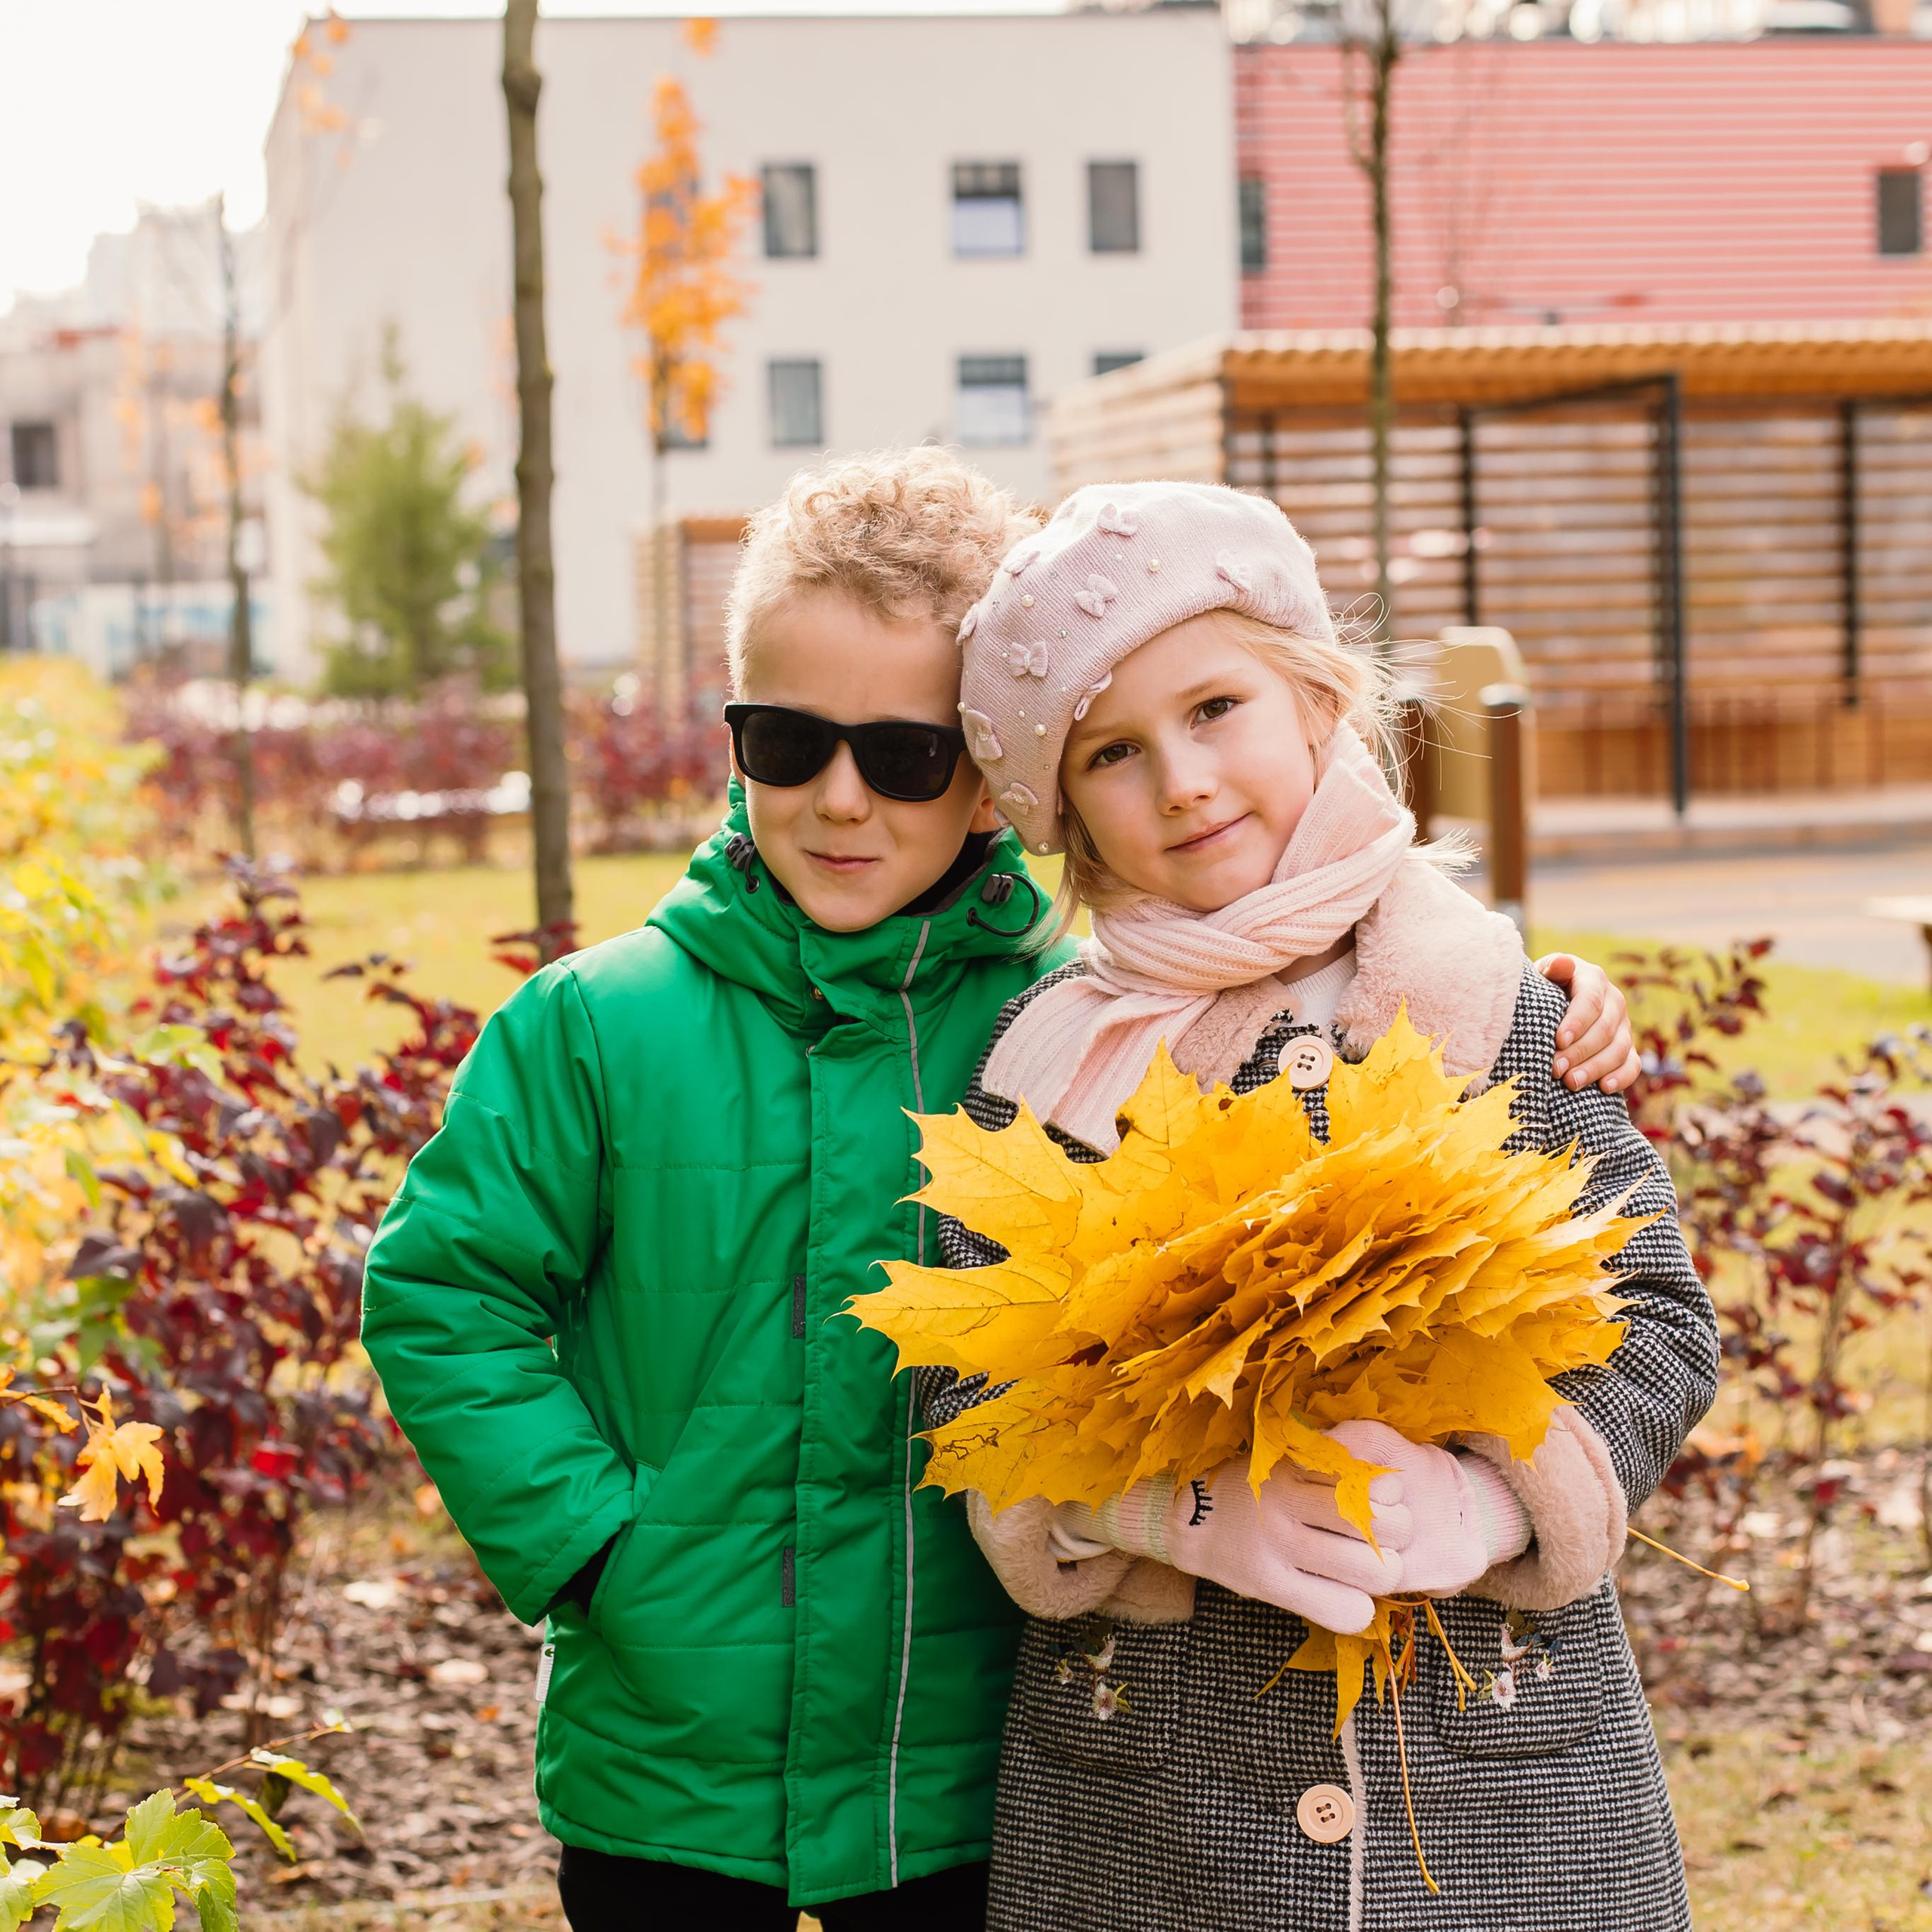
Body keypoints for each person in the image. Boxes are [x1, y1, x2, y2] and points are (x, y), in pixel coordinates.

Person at [358, 451, 1640, 1929]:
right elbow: (443, 1284)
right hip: (674, 1767)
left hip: (964, 1763)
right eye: (785, 740)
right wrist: (598, 1545)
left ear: (987, 775)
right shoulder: (598, 1024)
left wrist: (1540, 994)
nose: (840, 796)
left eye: (902, 756)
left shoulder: (1078, 1028)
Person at [929, 480, 1717, 1932]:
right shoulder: (1049, 1067)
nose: (1181, 780)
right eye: (1114, 753)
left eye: (1215, 706)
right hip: (1165, 1801)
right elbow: (963, 1380)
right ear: (1066, 816)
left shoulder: (1490, 1000)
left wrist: (1487, 1500)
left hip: (1499, 1777)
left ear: (1314, 699)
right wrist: (1171, 1510)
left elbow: (1658, 1321)